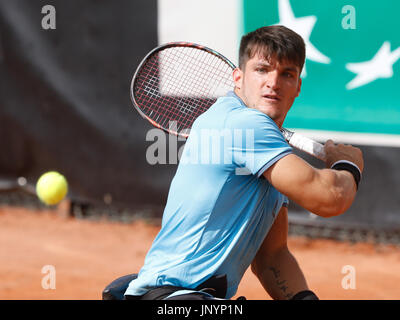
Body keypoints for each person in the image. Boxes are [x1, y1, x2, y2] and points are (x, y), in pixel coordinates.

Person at [124, 25, 364, 300]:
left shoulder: (267, 148)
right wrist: (348, 166)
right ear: (238, 78)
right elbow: (328, 198)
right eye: (262, 70)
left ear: (298, 86)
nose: (273, 82)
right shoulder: (245, 124)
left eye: (286, 74)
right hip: (174, 297)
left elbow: (271, 257)